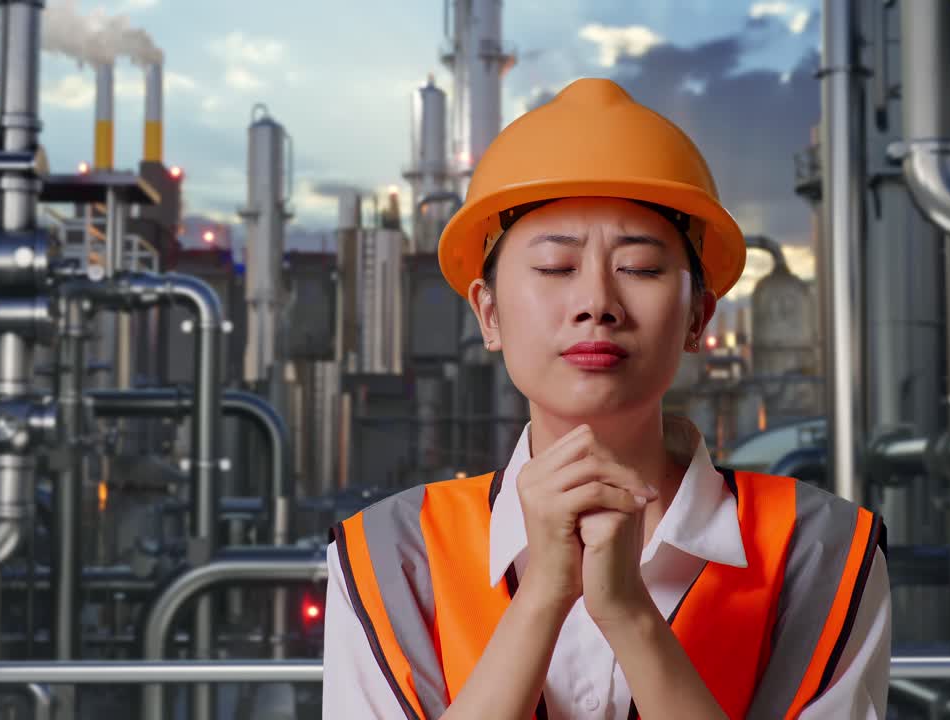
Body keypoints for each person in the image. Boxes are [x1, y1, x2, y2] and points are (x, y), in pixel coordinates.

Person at [323, 77, 890, 719]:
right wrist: (542, 596)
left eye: (642, 268)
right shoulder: (394, 553)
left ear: (699, 317)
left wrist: (627, 614)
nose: (597, 302)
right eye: (555, 269)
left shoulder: (818, 548)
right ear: (489, 313)